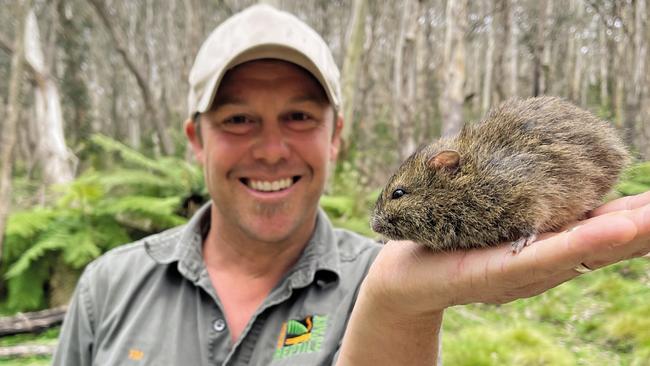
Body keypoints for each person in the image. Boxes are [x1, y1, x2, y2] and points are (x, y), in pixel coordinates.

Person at [53, 4, 650, 365]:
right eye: (237, 119)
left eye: (300, 117)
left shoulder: (382, 272)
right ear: (194, 138)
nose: (270, 147)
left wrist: (398, 304)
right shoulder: (109, 287)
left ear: (336, 137)